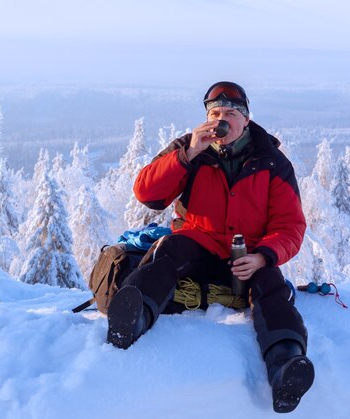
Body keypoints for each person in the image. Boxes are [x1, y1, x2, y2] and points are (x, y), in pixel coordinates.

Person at [106, 81, 313, 413]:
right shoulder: (189, 151)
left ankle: (285, 365)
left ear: (246, 120)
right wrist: (188, 154)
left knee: (270, 284)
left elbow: (290, 227)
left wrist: (263, 257)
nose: (222, 119)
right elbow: (147, 193)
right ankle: (132, 320)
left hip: (246, 256)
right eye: (215, 112)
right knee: (167, 251)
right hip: (196, 243)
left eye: (231, 113)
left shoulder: (272, 162)